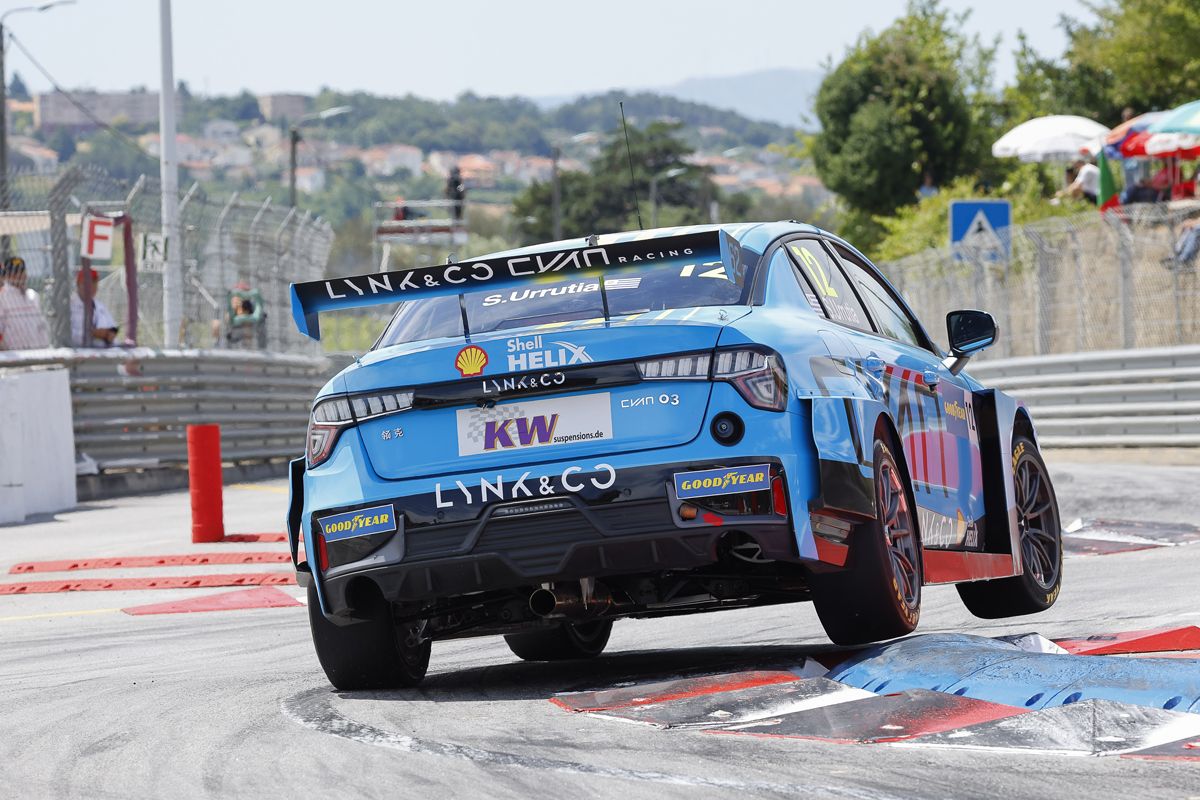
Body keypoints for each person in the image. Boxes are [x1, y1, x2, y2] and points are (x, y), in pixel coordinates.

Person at [0, 256, 51, 350]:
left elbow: (41, 326)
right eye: (15, 273)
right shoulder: (2, 297)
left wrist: (45, 349)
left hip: (37, 354)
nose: (19, 275)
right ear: (7, 275)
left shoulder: (33, 295)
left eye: (21, 271)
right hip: (13, 356)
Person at [70, 268, 119, 347]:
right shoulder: (70, 307)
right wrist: (92, 334)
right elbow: (67, 336)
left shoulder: (100, 307)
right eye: (87, 283)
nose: (91, 287)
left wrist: (109, 334)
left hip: (105, 355)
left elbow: (112, 328)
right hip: (79, 356)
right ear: (78, 284)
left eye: (94, 283)